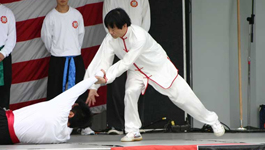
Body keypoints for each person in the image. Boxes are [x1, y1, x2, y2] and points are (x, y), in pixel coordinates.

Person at [84, 8, 225, 142]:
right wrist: (94, 85)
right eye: (108, 28)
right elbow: (102, 60)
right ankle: (133, 130)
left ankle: (212, 120)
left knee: (182, 97)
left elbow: (126, 61)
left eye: (113, 28)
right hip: (136, 70)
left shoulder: (139, 36)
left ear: (124, 25)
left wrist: (106, 78)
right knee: (130, 92)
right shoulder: (110, 38)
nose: (110, 32)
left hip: (158, 67)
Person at [0, 71, 105, 145]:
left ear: (70, 113)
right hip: (6, 138)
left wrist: (95, 79)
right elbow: (76, 122)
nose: (70, 103)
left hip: (1, 123)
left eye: (72, 105)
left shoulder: (60, 110)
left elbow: (76, 89)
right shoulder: (63, 136)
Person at [41, 0, 94, 135]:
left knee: (80, 92)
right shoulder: (51, 17)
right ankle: (55, 126)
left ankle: (84, 126)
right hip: (58, 59)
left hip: (75, 58)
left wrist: (72, 50)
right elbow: (46, 38)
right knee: (55, 92)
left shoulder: (76, 15)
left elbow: (80, 36)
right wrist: (58, 51)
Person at [102, 0, 151, 134]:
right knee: (116, 85)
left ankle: (135, 125)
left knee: (137, 85)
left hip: (137, 47)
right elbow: (108, 23)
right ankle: (117, 125)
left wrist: (137, 42)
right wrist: (117, 38)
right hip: (118, 44)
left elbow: (146, 21)